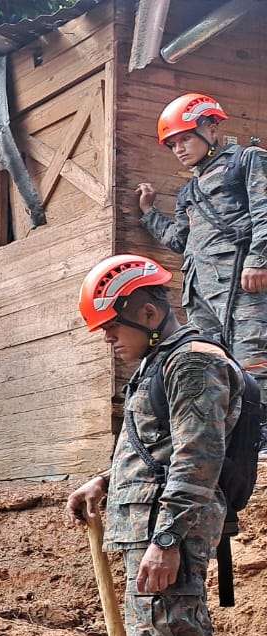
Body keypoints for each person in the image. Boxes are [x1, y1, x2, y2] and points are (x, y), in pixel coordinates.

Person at [66, 253, 240, 636]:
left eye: (112, 327)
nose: (107, 339)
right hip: (153, 524)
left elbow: (197, 457)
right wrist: (104, 481)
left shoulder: (190, 363)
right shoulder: (161, 362)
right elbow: (159, 448)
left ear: (146, 312)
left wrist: (166, 540)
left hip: (168, 531)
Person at [139, 93, 267, 440]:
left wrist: (258, 260)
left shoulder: (247, 160)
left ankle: (262, 438)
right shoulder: (189, 192)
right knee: (212, 367)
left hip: (243, 284)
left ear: (210, 128)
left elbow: (264, 211)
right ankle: (231, 442)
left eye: (185, 139)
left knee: (253, 357)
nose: (179, 149)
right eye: (173, 144)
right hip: (200, 295)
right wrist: (149, 212)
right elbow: (180, 241)